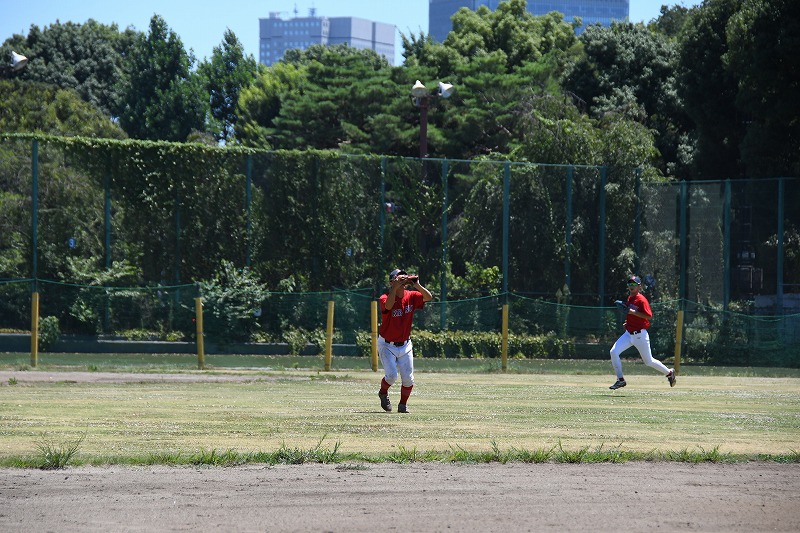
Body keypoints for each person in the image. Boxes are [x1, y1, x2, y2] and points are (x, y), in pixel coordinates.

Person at [377, 268, 433, 413]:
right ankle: (383, 392)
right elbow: (388, 306)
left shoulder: (411, 295)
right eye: (399, 278)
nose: (403, 280)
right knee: (391, 376)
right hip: (387, 344)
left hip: (405, 344)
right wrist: (395, 287)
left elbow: (428, 297)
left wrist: (417, 284)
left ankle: (402, 405)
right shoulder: (384, 297)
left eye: (404, 277)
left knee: (408, 379)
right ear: (391, 282)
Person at [609, 275, 676, 390]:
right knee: (613, 352)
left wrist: (632, 312)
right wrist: (628, 322)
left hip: (640, 335)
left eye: (634, 284)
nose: (631, 286)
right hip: (629, 334)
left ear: (639, 286)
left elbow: (648, 316)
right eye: (630, 284)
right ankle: (620, 380)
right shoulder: (630, 298)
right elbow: (631, 315)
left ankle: (669, 373)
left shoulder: (641, 300)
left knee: (648, 361)